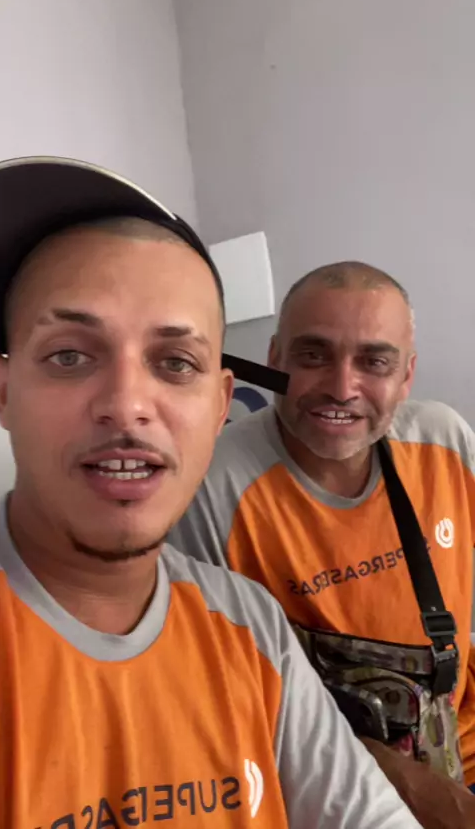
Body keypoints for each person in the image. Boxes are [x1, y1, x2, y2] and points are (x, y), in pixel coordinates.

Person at [0, 157, 423, 829]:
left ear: (221, 404)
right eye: (69, 355)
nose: (126, 405)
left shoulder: (246, 623)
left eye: (175, 362)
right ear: (3, 391)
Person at [170, 260, 475, 828]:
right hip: (330, 787)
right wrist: (417, 792)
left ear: (406, 376)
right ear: (274, 360)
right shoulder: (208, 487)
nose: (341, 387)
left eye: (374, 362)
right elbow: (222, 704)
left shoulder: (444, 440)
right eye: (313, 355)